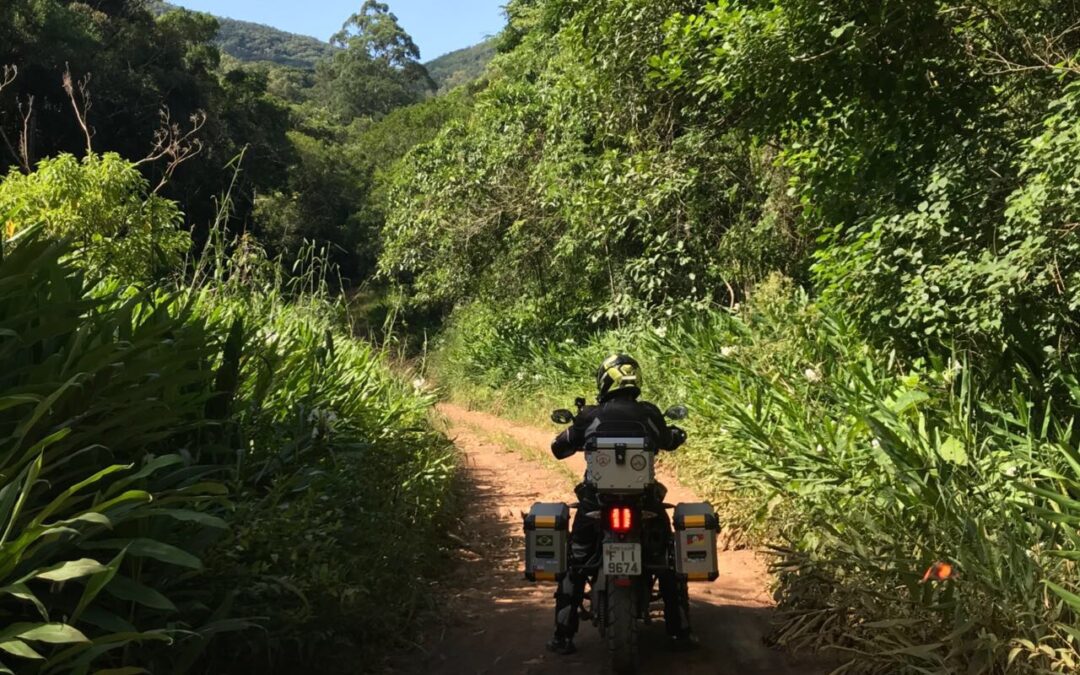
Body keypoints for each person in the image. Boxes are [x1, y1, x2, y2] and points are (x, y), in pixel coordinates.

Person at [545, 353, 696, 656]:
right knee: (666, 560)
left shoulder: (589, 415)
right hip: (645, 503)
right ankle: (679, 631)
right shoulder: (650, 413)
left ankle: (563, 635)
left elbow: (558, 448)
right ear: (634, 379)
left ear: (605, 380)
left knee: (576, 561)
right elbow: (669, 439)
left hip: (595, 503)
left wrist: (573, 430)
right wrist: (676, 434)